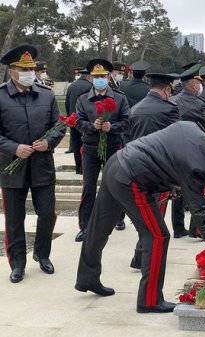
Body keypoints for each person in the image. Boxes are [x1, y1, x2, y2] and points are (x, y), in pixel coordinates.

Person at [75, 121, 205, 313]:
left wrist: (172, 186)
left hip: (116, 163)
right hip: (130, 179)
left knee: (99, 227)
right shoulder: (196, 163)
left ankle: (87, 278)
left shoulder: (193, 129)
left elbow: (166, 156)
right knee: (157, 236)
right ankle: (149, 301)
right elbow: (200, 213)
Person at [0, 45, 66, 283]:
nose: (29, 73)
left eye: (31, 69)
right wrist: (14, 148)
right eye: (22, 69)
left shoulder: (46, 95)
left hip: (42, 166)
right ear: (11, 72)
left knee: (47, 213)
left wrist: (48, 143)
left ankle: (42, 253)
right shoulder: (0, 95)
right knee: (15, 218)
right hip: (11, 167)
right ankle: (17, 263)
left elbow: (59, 126)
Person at [127, 71, 181, 270]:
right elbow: (175, 144)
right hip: (159, 172)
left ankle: (139, 257)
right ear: (167, 89)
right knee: (155, 218)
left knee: (146, 216)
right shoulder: (169, 110)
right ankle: (143, 258)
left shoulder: (136, 108)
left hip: (135, 169)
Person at [74, 59, 129, 242]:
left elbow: (127, 122)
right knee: (89, 187)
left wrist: (111, 127)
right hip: (90, 147)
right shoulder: (82, 98)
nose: (99, 79)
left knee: (115, 183)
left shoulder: (119, 98)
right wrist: (92, 126)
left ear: (109, 77)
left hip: (113, 146)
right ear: (90, 78)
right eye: (96, 76)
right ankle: (85, 226)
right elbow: (78, 122)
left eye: (103, 76)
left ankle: (118, 218)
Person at [170, 64, 205, 238]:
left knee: (177, 189)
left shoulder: (172, 101)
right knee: (197, 192)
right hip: (195, 153)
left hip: (174, 151)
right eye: (199, 82)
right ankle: (196, 230)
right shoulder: (200, 105)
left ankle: (178, 228)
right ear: (194, 85)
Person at [65, 68, 92, 174]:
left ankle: (78, 168)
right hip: (86, 121)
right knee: (86, 144)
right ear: (89, 76)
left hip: (73, 120)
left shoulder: (71, 86)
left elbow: (67, 103)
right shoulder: (90, 86)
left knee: (76, 145)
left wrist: (69, 117)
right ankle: (85, 168)